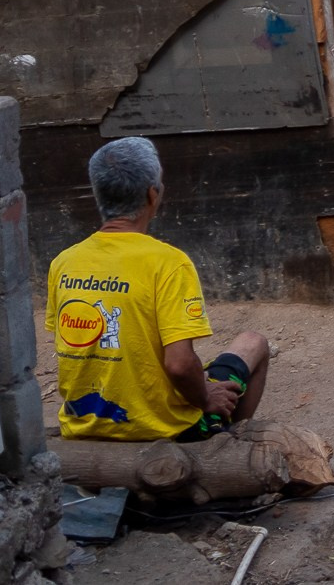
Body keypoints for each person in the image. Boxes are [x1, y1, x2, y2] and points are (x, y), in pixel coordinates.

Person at [45, 136, 271, 442]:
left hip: (84, 428)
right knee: (253, 342)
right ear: (153, 195)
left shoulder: (64, 263)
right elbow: (178, 366)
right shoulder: (169, 263)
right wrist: (205, 397)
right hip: (166, 432)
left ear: (98, 194)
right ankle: (229, 442)